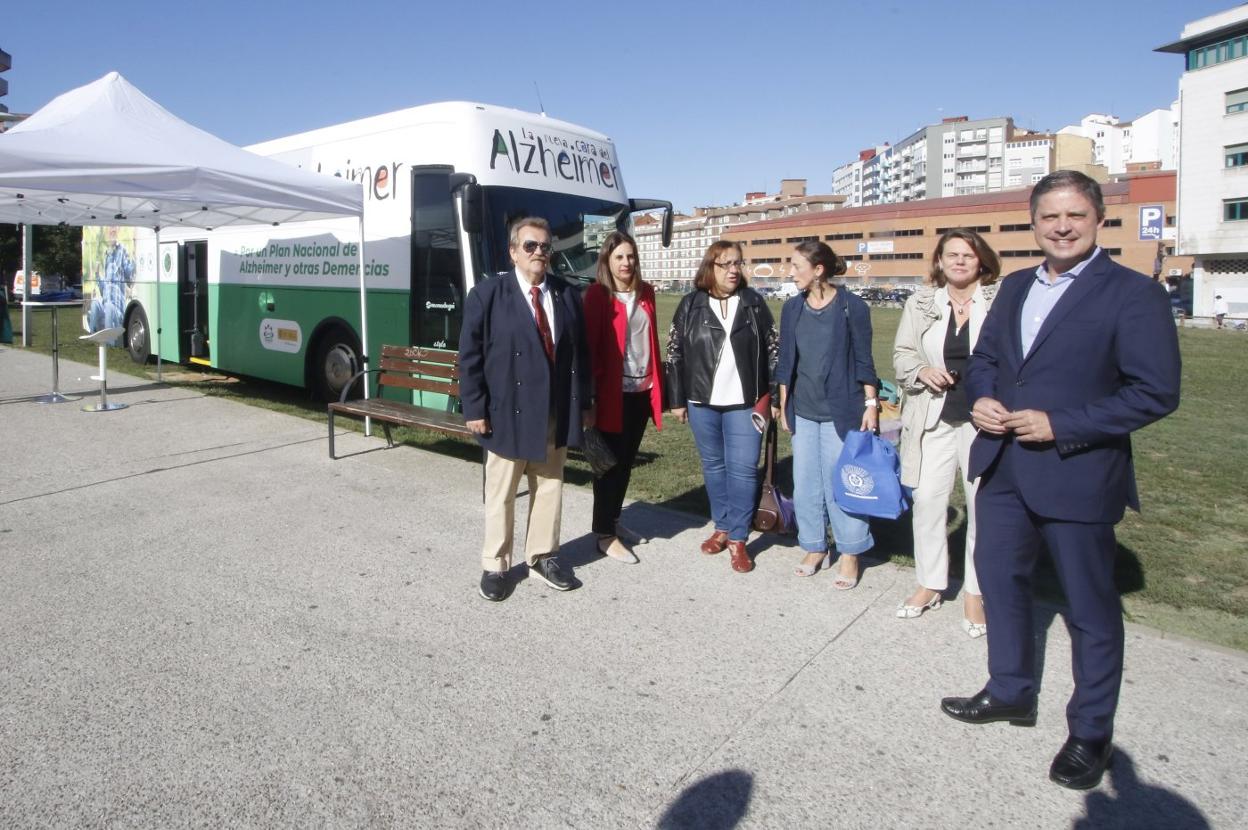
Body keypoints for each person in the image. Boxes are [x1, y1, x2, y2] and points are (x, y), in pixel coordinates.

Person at [940, 171, 1181, 790]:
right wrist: (982, 397)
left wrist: (1062, 424)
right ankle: (1010, 690)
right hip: (1004, 468)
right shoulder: (1017, 286)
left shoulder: (1133, 294)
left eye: (1075, 215)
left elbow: (1155, 391)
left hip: (1078, 474)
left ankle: (1091, 732)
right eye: (1050, 216)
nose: (1063, 227)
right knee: (1001, 583)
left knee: (1090, 609)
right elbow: (986, 360)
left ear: (1098, 218)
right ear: (1034, 223)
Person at [458, 217, 592, 602]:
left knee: (549, 486)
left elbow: (580, 355)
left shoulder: (567, 295)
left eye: (545, 247)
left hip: (553, 412)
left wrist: (585, 403)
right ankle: (496, 565)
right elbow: (470, 357)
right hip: (506, 412)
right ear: (513, 252)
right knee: (501, 493)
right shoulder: (488, 295)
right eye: (531, 246)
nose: (539, 253)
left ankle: (543, 557)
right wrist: (475, 408)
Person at [892, 229, 1001, 634]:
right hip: (933, 418)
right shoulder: (922, 303)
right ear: (939, 261)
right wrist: (922, 370)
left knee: (982, 507)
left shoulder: (999, 301)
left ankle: (975, 592)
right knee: (927, 502)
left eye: (967, 255)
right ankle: (930, 583)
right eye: (951, 255)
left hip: (982, 421)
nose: (959, 261)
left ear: (981, 261)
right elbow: (902, 354)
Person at [666, 240, 778, 574]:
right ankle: (723, 526)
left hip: (747, 402)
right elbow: (674, 352)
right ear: (710, 267)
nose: (733, 270)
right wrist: (676, 399)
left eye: (738, 263)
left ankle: (739, 538)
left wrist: (774, 397)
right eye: (726, 263)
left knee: (743, 469)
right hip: (702, 401)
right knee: (714, 467)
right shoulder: (691, 304)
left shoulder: (754, 303)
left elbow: (774, 350)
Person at [775, 240, 878, 589]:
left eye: (796, 266)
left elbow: (864, 359)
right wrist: (784, 405)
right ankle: (814, 545)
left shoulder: (852, 307)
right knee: (805, 483)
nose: (790, 272)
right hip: (803, 410)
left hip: (841, 409)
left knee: (841, 483)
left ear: (818, 270)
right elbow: (786, 362)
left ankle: (850, 551)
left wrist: (871, 404)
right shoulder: (792, 308)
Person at [583, 231, 664, 564]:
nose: (626, 262)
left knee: (626, 463)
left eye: (631, 256)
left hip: (641, 393)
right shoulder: (597, 295)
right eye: (619, 257)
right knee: (608, 466)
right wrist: (589, 399)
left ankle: (614, 521)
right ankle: (604, 535)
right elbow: (589, 350)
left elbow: (650, 342)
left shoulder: (647, 293)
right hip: (610, 395)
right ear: (607, 260)